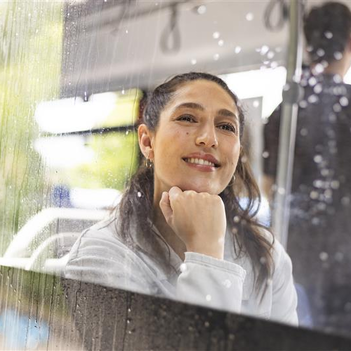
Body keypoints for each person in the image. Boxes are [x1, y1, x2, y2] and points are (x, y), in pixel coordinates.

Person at [65, 72, 298, 325]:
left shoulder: (267, 253)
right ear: (147, 141)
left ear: (237, 152)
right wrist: (206, 251)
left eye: (225, 127)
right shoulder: (101, 255)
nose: (209, 138)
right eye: (187, 118)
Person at [263, 2, 351, 333]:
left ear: (307, 44)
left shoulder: (283, 113)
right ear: (349, 42)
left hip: (293, 261)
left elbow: (271, 188)